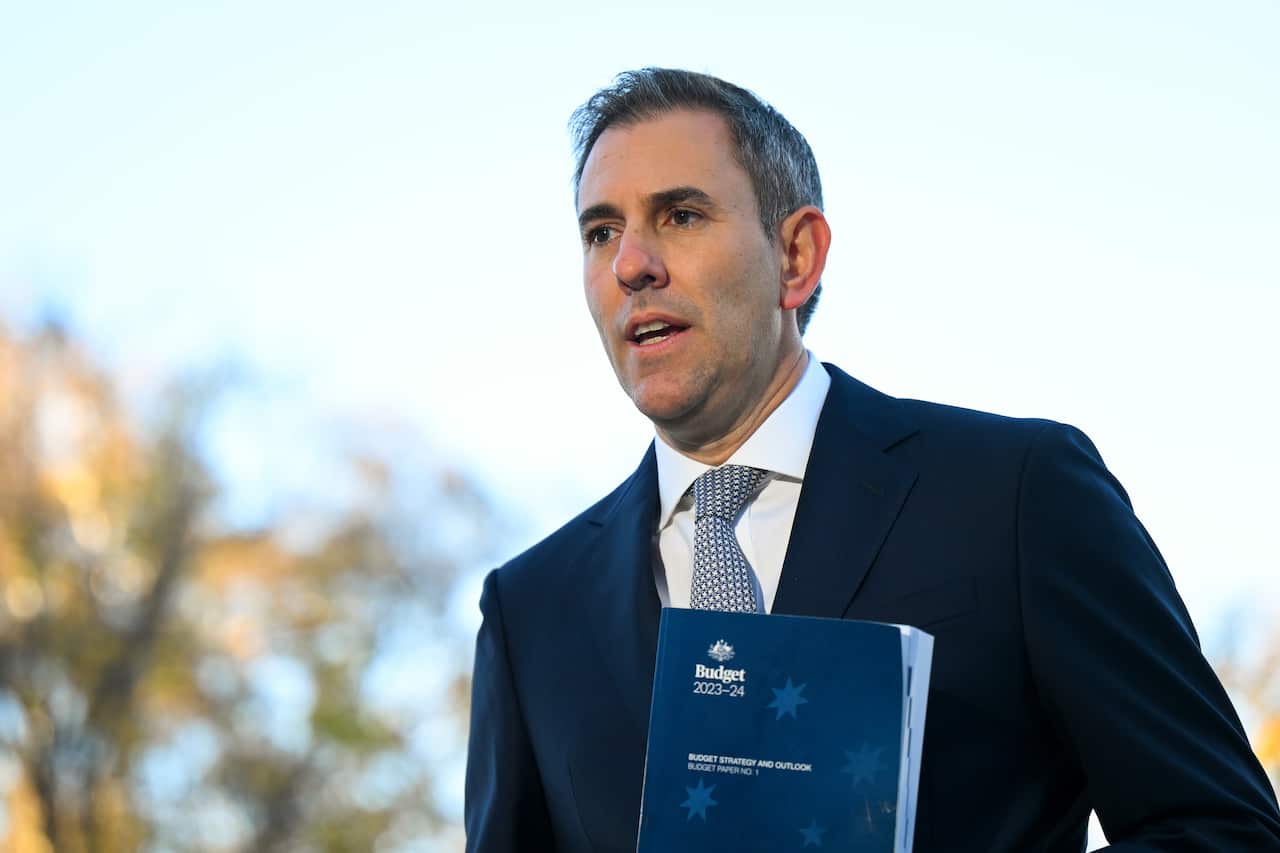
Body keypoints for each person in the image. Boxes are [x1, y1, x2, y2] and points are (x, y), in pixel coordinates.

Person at [464, 68, 1280, 852]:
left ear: (797, 256)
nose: (630, 264)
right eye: (601, 231)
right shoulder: (529, 609)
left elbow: (1223, 830)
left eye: (679, 214)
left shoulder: (1016, 495)